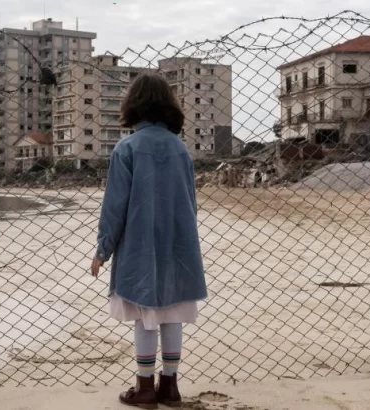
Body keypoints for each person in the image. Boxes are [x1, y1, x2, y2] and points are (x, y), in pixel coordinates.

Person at [91, 73, 207, 409]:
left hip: (141, 244)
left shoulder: (127, 148)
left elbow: (116, 205)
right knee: (172, 311)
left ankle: (143, 388)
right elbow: (190, 200)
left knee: (146, 315)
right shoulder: (179, 148)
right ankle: (169, 386)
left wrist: (103, 248)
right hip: (178, 242)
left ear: (133, 104)